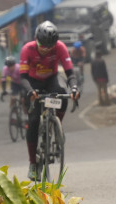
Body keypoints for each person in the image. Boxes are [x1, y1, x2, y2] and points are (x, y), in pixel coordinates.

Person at [15, 21, 80, 177]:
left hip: (52, 80)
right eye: (42, 46)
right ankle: (33, 164)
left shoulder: (60, 47)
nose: (45, 50)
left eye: (49, 47)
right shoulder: (27, 49)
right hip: (32, 83)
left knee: (62, 94)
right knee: (33, 122)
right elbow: (23, 77)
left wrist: (74, 88)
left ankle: (57, 127)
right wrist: (30, 91)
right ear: (36, 40)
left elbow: (70, 74)